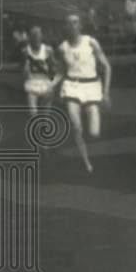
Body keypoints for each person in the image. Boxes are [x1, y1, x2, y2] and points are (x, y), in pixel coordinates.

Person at [50, 13, 112, 174]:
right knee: (76, 126)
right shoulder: (62, 47)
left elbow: (106, 67)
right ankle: (86, 163)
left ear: (80, 25)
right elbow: (60, 71)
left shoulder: (91, 42)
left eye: (75, 22)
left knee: (94, 132)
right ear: (65, 27)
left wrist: (105, 93)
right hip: (72, 86)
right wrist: (51, 85)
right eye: (69, 23)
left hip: (91, 87)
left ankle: (91, 132)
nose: (72, 26)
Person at [21, 25, 55, 115]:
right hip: (32, 82)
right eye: (33, 35)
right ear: (30, 37)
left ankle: (45, 126)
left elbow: (53, 68)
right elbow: (23, 70)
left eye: (38, 34)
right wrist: (26, 68)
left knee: (46, 114)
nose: (36, 37)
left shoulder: (48, 50)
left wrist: (52, 83)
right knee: (33, 113)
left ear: (42, 36)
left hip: (45, 82)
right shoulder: (25, 51)